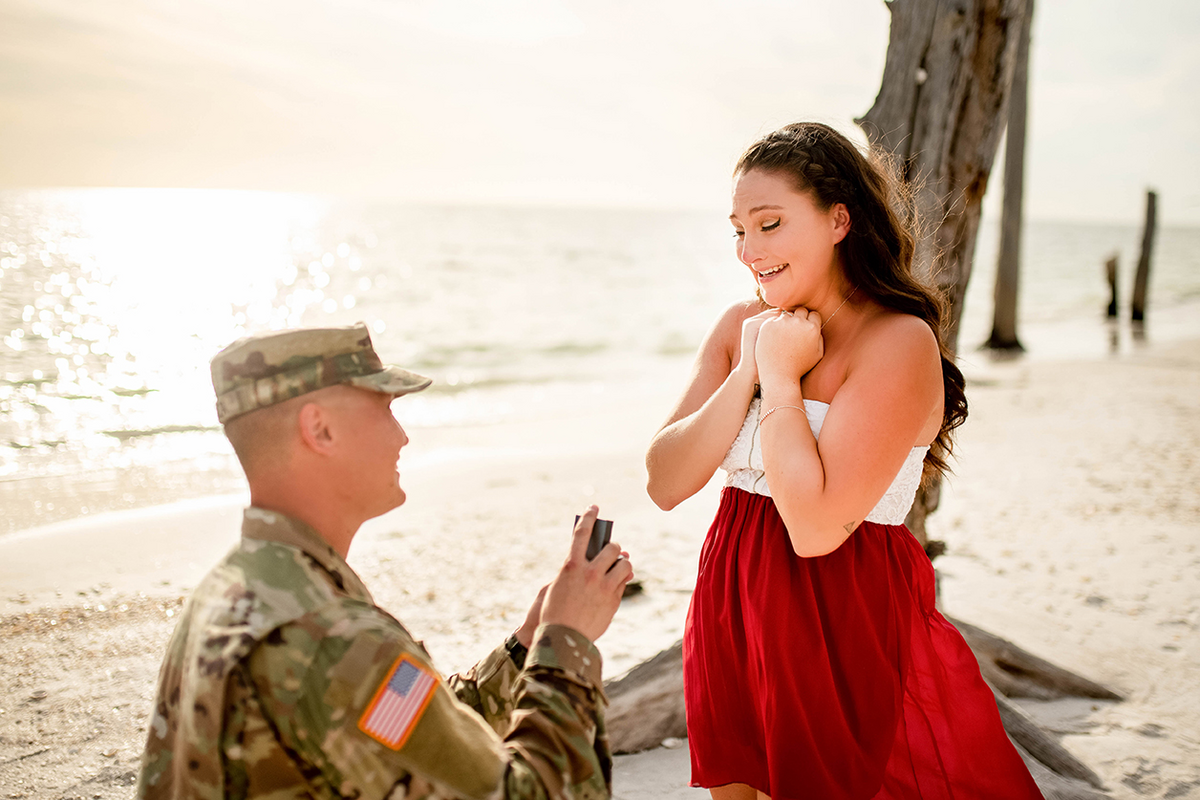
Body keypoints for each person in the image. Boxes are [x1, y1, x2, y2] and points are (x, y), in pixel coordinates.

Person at [645, 123, 1042, 799]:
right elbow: (664, 480)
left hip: (839, 608)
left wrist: (782, 375)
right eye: (738, 230)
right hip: (730, 593)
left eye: (769, 224)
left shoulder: (897, 341)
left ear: (838, 220)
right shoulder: (742, 326)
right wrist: (749, 368)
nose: (749, 251)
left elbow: (816, 527)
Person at [136, 322, 634, 800]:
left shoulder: (233, 589)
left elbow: (402, 732)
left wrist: (526, 647)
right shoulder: (332, 636)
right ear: (320, 428)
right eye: (386, 406)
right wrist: (567, 645)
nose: (402, 437)